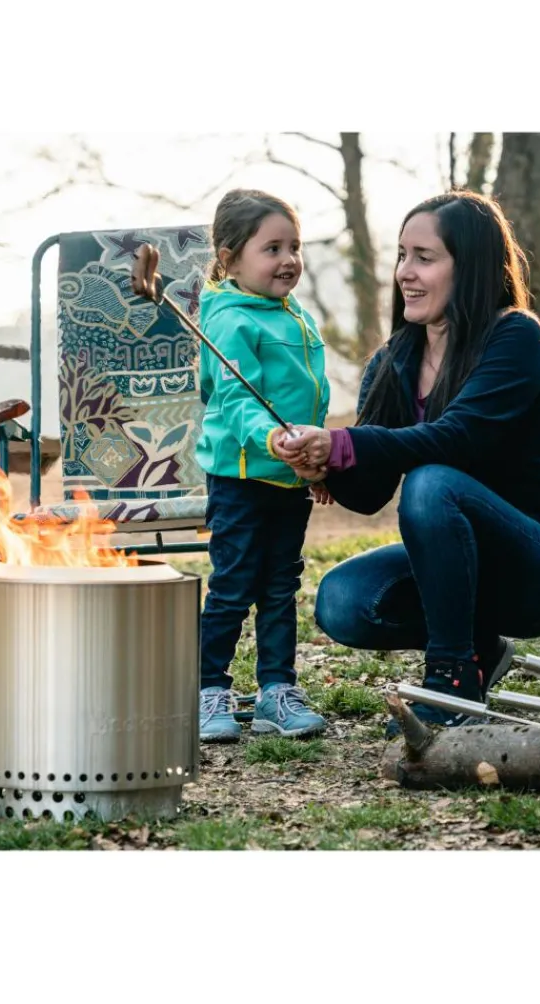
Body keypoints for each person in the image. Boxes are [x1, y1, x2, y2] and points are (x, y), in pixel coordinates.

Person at [273, 190, 540, 732]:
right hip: (460, 565)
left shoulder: (514, 337)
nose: (406, 273)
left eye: (425, 257)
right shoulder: (394, 359)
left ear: (468, 267)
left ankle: (450, 682)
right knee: (343, 600)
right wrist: (320, 468)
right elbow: (370, 491)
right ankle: (477, 651)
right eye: (402, 255)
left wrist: (344, 442)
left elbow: (458, 437)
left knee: (432, 483)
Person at [132, 189, 331, 743]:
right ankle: (207, 689)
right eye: (272, 248)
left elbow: (307, 400)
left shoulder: (295, 316)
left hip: (286, 477)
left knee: (279, 587)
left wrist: (314, 466)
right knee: (234, 585)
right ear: (229, 257)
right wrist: (272, 436)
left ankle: (276, 691)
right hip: (242, 477)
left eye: (294, 246)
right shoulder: (228, 320)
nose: (288, 259)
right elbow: (236, 402)